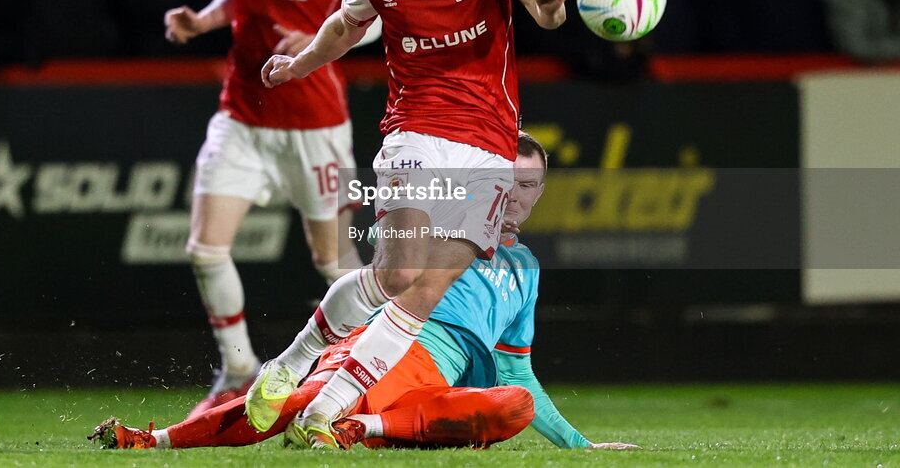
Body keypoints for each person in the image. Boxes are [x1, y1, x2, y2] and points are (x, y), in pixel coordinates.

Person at [247, 0, 567, 448]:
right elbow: (345, 26)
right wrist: (298, 66)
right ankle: (290, 364)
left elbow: (538, 6)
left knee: (424, 291)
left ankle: (325, 413)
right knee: (398, 273)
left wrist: (549, 2)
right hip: (415, 130)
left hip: (490, 148)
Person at [88, 133, 639, 451]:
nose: (515, 196)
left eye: (527, 185)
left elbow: (516, 372)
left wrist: (578, 446)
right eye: (506, 181)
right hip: (387, 354)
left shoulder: (526, 269)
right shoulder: (442, 222)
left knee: (511, 406)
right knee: (293, 404)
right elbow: (388, 250)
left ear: (540, 192)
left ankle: (354, 428)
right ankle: (149, 441)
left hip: (432, 392)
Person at [162, 0, 378, 418]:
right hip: (242, 113)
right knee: (205, 249)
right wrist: (203, 20)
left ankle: (373, 371)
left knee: (334, 262)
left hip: (314, 123)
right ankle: (237, 369)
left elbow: (378, 15)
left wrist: (315, 40)